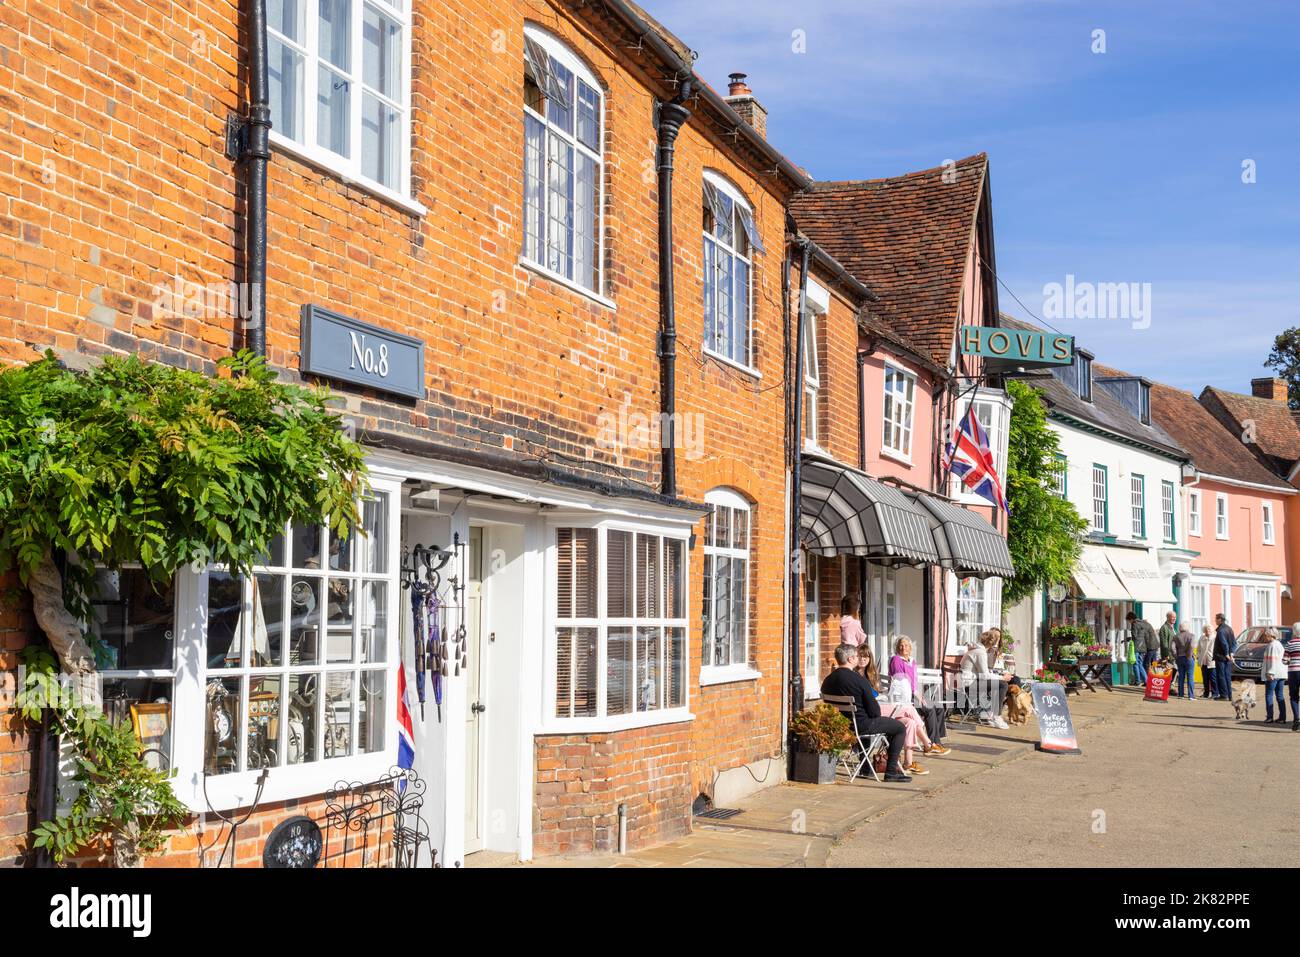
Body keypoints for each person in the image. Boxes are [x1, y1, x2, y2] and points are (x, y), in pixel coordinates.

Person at [821, 644, 911, 781]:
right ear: (850, 659)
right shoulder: (858, 680)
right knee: (899, 728)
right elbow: (875, 712)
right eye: (857, 656)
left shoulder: (827, 680)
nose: (858, 658)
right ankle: (891, 772)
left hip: (840, 726)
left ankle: (866, 767)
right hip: (860, 726)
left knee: (870, 725)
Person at [889, 635, 950, 755]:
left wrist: (919, 693)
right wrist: (916, 694)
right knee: (929, 709)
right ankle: (933, 743)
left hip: (912, 693)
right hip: (903, 696)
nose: (903, 647)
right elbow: (901, 681)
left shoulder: (912, 661)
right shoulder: (896, 659)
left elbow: (914, 681)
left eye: (906, 645)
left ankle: (938, 740)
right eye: (901, 645)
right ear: (897, 647)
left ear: (910, 648)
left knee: (938, 707)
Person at [960, 631, 1009, 729]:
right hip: (969, 685)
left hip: (967, 682)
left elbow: (983, 674)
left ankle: (990, 715)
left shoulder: (976, 650)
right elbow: (985, 675)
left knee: (998, 684)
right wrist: (1002, 677)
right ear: (993, 643)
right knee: (1002, 685)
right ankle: (996, 716)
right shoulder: (980, 652)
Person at [1262, 627, 1287, 724]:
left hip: (1273, 674)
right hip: (1281, 673)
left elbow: (1272, 660)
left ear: (1270, 635)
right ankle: (1282, 717)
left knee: (1269, 695)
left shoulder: (1272, 645)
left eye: (1266, 635)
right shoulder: (1279, 644)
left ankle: (1269, 717)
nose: (1264, 636)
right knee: (1280, 696)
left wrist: (1270, 672)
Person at [1125, 612, 1155, 687]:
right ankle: (1146, 680)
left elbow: (1135, 636)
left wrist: (1129, 638)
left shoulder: (1134, 624)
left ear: (1131, 619)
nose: (1129, 622)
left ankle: (1138, 681)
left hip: (1136, 646)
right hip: (1143, 646)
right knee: (1140, 664)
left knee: (1135, 663)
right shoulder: (1142, 623)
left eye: (1128, 620)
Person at [1213, 613, 1236, 702]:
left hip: (1221, 656)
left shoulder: (1221, 630)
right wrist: (1232, 653)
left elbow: (1224, 643)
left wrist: (1227, 653)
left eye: (1216, 619)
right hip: (1228, 657)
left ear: (1220, 619)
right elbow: (1234, 643)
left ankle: (1224, 695)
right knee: (1227, 676)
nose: (1215, 621)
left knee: (1221, 676)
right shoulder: (1229, 629)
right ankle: (1229, 695)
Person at [1173, 620, 1195, 700]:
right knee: (1190, 676)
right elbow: (1192, 646)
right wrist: (1189, 656)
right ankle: (1191, 696)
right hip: (1188, 658)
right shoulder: (1191, 636)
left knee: (1181, 676)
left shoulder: (1176, 636)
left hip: (1180, 657)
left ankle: (1181, 694)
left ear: (1180, 628)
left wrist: (1176, 656)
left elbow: (1172, 648)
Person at [1196, 624, 1218, 700]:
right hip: (1203, 660)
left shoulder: (1215, 638)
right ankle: (1206, 693)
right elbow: (1198, 649)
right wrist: (1198, 656)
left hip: (1212, 661)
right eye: (1206, 630)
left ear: (1212, 630)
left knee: (1213, 678)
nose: (1207, 631)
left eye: (1209, 629)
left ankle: (1215, 693)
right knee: (1205, 678)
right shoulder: (1201, 638)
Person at [1285, 624, 1300, 732]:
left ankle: (1296, 718)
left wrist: (1290, 660)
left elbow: (1284, 660)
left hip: (1293, 672)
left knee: (1294, 697)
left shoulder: (1290, 643)